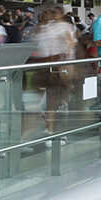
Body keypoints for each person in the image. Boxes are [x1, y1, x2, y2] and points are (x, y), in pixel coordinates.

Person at [35, 8, 77, 140]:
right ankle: (51, 131)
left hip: (61, 67)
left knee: (59, 101)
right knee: (53, 101)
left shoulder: (64, 27)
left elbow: (70, 45)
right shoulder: (46, 28)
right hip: (51, 67)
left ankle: (54, 130)